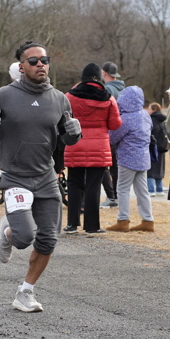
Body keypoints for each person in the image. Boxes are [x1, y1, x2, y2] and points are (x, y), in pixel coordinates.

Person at [0, 42, 82, 313]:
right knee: (23, 238)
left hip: (46, 177)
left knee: (48, 240)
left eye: (44, 59)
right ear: (21, 67)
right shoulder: (5, 95)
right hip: (16, 177)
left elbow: (66, 139)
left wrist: (74, 133)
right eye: (33, 61)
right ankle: (7, 231)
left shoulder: (59, 98)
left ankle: (25, 292)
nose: (40, 64)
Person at [63, 63, 122, 234]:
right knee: (93, 186)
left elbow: (62, 120)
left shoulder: (69, 97)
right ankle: (92, 226)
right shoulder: (108, 98)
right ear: (99, 77)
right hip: (99, 147)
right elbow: (115, 124)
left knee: (74, 184)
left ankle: (72, 224)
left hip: (75, 144)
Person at [108, 85, 154, 232]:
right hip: (143, 157)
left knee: (122, 189)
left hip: (127, 158)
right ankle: (148, 220)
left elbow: (112, 138)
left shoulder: (125, 119)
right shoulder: (145, 115)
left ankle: (123, 220)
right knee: (142, 191)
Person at [100, 61, 125, 208]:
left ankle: (111, 196)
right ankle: (116, 194)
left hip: (108, 133)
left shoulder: (106, 89)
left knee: (103, 165)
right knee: (116, 167)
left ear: (104, 73)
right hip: (122, 133)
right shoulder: (123, 89)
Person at [147, 102, 168, 196]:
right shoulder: (162, 121)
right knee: (159, 169)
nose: (148, 111)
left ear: (154, 110)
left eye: (149, 109)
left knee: (150, 169)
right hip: (161, 148)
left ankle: (151, 189)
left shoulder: (151, 121)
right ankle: (159, 189)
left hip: (152, 147)